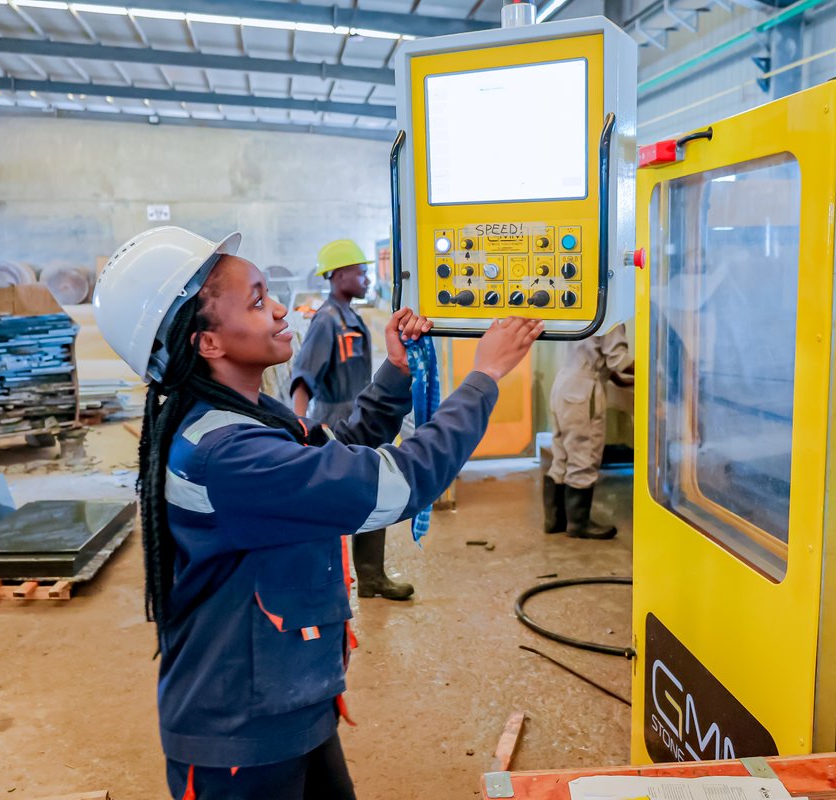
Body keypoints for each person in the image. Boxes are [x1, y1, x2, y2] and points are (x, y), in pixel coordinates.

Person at [93, 226, 541, 800]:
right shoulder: (227, 455)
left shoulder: (240, 418)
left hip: (288, 702)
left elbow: (334, 446)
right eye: (257, 301)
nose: (280, 309)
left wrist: (396, 372)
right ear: (207, 342)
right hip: (241, 739)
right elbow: (397, 484)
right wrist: (484, 377)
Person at [290, 239, 412, 600]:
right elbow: (303, 376)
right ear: (340, 275)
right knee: (332, 502)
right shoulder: (326, 321)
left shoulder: (350, 316)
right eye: (360, 272)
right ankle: (321, 583)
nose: (367, 279)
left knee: (370, 494)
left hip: (361, 416)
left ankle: (371, 577)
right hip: (337, 420)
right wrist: (298, 428)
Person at [543, 322, 634, 539]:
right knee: (585, 453)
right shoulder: (612, 314)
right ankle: (579, 524)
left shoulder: (582, 308)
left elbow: (596, 351)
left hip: (563, 384)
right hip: (584, 390)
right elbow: (617, 359)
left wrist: (618, 380)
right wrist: (655, 369)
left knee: (562, 455)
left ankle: (555, 520)